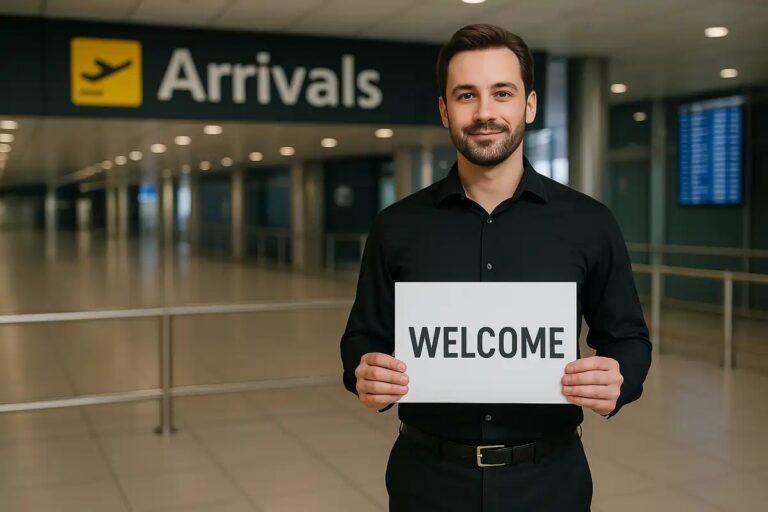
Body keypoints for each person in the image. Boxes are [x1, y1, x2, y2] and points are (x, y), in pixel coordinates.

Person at [340, 24, 652, 512]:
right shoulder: (396, 226)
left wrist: (620, 378)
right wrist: (365, 372)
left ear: (528, 105)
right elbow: (362, 336)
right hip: (427, 480)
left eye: (501, 93)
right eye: (466, 95)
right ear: (445, 110)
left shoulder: (589, 223)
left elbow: (628, 338)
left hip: (550, 481)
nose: (484, 112)